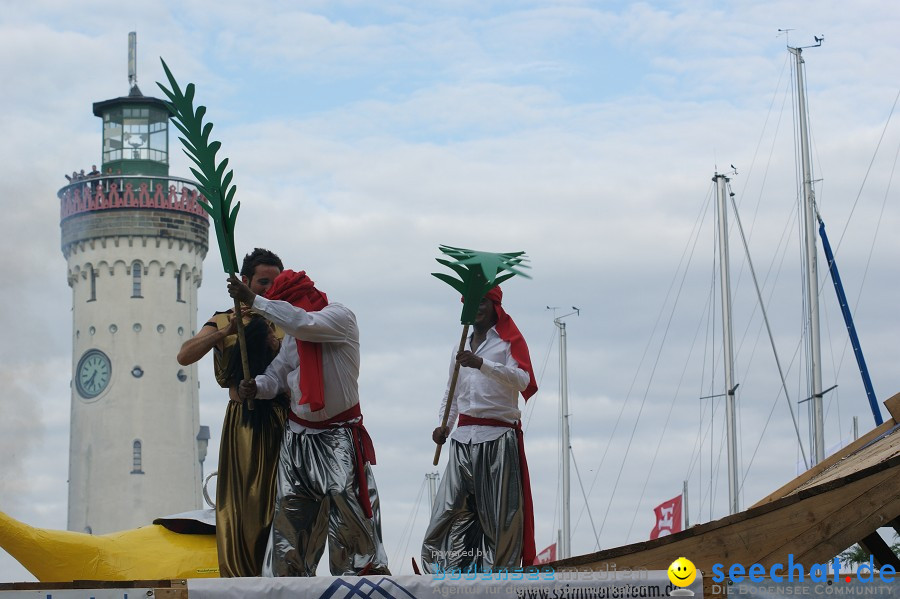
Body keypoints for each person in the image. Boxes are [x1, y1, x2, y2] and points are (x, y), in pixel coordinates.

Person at [228, 268, 390, 577]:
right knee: (291, 508)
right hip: (298, 435)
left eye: (285, 306)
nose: (283, 319)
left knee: (346, 501)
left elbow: (303, 324)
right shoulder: (293, 338)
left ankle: (360, 575)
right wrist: (258, 386)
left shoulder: (338, 318)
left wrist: (255, 300)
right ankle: (287, 580)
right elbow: (278, 374)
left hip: (337, 433)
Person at [176, 248, 286, 577]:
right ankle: (242, 576)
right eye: (263, 282)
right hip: (243, 424)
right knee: (242, 504)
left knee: (282, 503)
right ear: (246, 282)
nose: (269, 289)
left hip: (283, 421)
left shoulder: (287, 321)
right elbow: (184, 355)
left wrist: (272, 343)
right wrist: (225, 334)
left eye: (275, 283)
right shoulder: (224, 318)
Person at [421, 286, 538, 573]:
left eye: (481, 302)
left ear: (494, 305)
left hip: (497, 437)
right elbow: (452, 392)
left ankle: (499, 577)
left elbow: (523, 380)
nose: (475, 308)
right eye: (471, 303)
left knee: (499, 518)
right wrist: (444, 426)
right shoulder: (459, 346)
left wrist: (482, 364)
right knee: (448, 514)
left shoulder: (507, 341)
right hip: (462, 438)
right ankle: (446, 573)